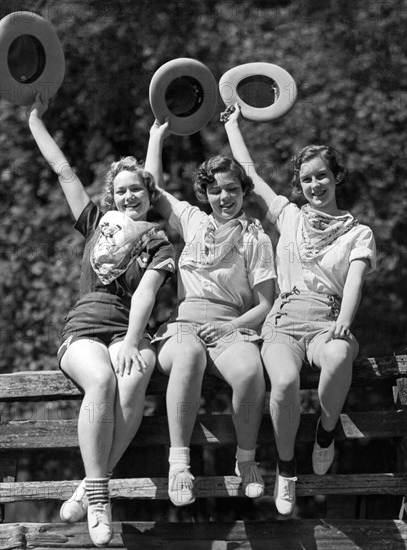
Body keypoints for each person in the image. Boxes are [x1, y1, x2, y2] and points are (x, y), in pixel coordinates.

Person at [27, 97, 175, 546]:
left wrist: (156, 138)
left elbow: (147, 292)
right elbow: (64, 171)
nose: (130, 195)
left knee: (133, 381)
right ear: (112, 197)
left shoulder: (158, 241)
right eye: (122, 190)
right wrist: (34, 119)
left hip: (131, 329)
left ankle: (88, 486)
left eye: (139, 190)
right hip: (85, 329)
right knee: (104, 383)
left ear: (151, 197)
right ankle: (100, 499)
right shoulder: (96, 222)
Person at [222, 103, 377, 516]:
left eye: (322, 175)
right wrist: (233, 125)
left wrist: (344, 320)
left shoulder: (358, 232)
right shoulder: (289, 216)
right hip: (284, 320)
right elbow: (250, 177)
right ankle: (287, 470)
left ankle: (326, 432)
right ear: (299, 184)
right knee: (286, 383)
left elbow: (356, 279)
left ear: (336, 176)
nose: (315, 184)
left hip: (327, 317)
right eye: (307, 179)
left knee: (341, 353)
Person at [145, 119, 276, 507]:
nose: (224, 196)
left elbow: (265, 304)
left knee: (251, 371)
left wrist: (230, 327)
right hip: (184, 323)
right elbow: (151, 192)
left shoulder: (256, 236)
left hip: (232, 322)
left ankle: (247, 460)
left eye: (232, 189)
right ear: (204, 193)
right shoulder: (192, 220)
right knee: (187, 356)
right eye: (215, 189)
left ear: (243, 192)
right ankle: (179, 465)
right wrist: (156, 137)